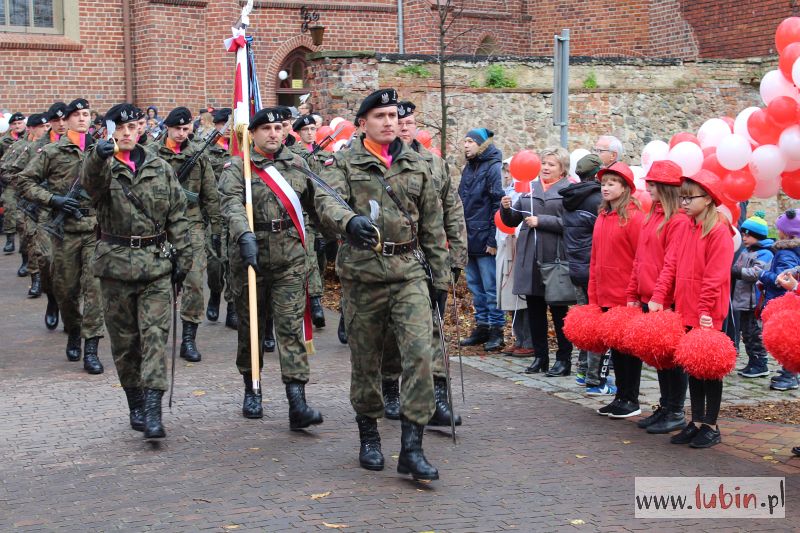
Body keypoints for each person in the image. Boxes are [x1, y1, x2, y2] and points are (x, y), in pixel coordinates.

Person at [315, 88, 449, 481]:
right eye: (380, 116)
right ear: (363, 123)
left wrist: (440, 278)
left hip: (408, 270)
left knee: (420, 355)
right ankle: (369, 435)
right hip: (363, 274)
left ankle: (412, 446)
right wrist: (348, 222)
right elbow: (326, 202)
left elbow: (433, 225)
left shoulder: (417, 163)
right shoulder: (343, 162)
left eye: (393, 115)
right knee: (367, 360)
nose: (389, 122)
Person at [82, 102, 191, 440]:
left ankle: (155, 411)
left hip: (155, 264)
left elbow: (177, 214)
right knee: (126, 343)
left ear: (142, 128)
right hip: (115, 266)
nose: (126, 133)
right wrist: (97, 157)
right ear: (109, 129)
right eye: (120, 127)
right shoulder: (101, 165)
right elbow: (90, 188)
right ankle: (136, 403)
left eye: (133, 127)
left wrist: (181, 260)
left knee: (156, 338)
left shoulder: (159, 166)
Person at [218, 107, 324, 430]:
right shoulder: (238, 168)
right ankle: (253, 389)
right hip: (250, 260)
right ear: (252, 134)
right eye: (266, 129)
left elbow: (318, 203)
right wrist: (243, 233)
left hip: (290, 258)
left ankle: (297, 402)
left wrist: (340, 230)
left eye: (279, 128)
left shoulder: (297, 164)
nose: (274, 134)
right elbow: (231, 204)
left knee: (289, 329)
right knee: (252, 328)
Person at [380, 100, 467, 427]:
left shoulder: (435, 164)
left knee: (432, 330)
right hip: (389, 262)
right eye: (397, 120)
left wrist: (455, 260)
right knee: (391, 331)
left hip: (428, 261)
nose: (404, 126)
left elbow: (452, 213)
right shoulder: (381, 163)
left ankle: (436, 398)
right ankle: (390, 384)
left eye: (409, 121)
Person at [17, 98, 105, 374]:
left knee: (94, 291)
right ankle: (74, 330)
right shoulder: (52, 152)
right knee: (66, 291)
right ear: (64, 121)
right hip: (63, 232)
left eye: (86, 114)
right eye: (76, 115)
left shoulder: (100, 150)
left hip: (94, 230)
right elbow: (24, 181)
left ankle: (91, 348)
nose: (82, 119)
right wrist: (53, 199)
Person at [656, 170, 733, 448]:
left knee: (708, 369)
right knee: (693, 367)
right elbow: (671, 265)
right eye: (682, 198)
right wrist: (659, 296)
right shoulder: (687, 228)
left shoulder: (718, 232)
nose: (684, 203)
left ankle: (711, 425)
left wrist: (704, 311)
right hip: (686, 308)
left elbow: (715, 277)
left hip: (708, 311)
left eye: (690, 198)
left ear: (709, 199)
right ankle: (697, 420)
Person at [149, 107, 222, 363]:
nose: (181, 134)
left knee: (193, 281)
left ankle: (189, 338)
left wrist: (217, 229)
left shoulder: (198, 155)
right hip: (159, 230)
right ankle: (156, 334)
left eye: (185, 129)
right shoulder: (152, 155)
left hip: (191, 227)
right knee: (160, 282)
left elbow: (210, 194)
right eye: (176, 129)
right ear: (167, 128)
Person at [627, 160, 690, 434]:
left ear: (666, 188)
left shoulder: (676, 220)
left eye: (653, 184)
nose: (648, 187)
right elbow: (639, 259)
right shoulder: (652, 215)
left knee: (671, 357)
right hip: (649, 295)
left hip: (665, 298)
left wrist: (659, 296)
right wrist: (633, 291)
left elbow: (671, 265)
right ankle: (665, 406)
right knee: (659, 356)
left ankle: (675, 410)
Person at [500, 147, 575, 375]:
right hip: (530, 258)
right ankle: (540, 357)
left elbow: (571, 224)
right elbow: (514, 220)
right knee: (535, 310)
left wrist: (542, 221)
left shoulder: (569, 191)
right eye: (544, 163)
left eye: (551, 164)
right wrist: (505, 209)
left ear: (562, 169)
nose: (545, 168)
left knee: (559, 311)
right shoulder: (528, 189)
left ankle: (564, 359)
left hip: (555, 258)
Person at [588, 161, 644, 418]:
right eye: (603, 183)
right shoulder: (603, 216)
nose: (606, 187)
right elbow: (595, 259)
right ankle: (621, 396)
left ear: (625, 188)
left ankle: (631, 398)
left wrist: (635, 295)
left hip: (626, 295)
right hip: (606, 292)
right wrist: (593, 296)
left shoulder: (634, 217)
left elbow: (639, 259)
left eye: (612, 183)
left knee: (628, 351)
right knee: (616, 350)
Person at [17, 102, 67, 328]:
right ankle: (53, 299)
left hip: (76, 215)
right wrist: (43, 193)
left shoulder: (85, 146)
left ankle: (72, 315)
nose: (60, 124)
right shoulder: (37, 147)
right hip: (45, 213)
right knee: (47, 261)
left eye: (63, 119)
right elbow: (16, 175)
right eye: (55, 121)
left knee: (75, 270)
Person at [459, 127, 505, 351]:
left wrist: (492, 240)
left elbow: (497, 203)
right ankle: (482, 327)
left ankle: (497, 330)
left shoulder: (493, 168)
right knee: (476, 288)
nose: (466, 145)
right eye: (465, 141)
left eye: (470, 141)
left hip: (485, 239)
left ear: (481, 144)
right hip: (469, 238)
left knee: (490, 288)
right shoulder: (469, 167)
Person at [560, 154, 603, 388]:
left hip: (575, 267)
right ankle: (594, 377)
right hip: (593, 270)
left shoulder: (570, 197)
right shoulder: (597, 199)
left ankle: (582, 370)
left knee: (585, 322)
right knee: (596, 323)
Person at [0, 113, 50, 289]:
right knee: (29, 238)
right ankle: (35, 277)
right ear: (31, 128)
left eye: (46, 126)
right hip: (27, 201)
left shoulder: (54, 147)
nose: (45, 130)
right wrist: (24, 186)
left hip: (49, 202)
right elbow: (6, 170)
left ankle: (46, 278)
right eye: (41, 127)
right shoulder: (22, 147)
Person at [758, 209, 800, 391]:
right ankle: (788, 372)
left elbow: (781, 279)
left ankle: (790, 375)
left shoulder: (786, 253)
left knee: (787, 338)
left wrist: (762, 274)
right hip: (787, 299)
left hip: (782, 300)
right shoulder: (790, 250)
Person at [204, 108, 238, 329]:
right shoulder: (206, 152)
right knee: (215, 264)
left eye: (230, 123)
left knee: (234, 262)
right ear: (216, 125)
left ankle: (232, 307)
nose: (226, 127)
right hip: (214, 215)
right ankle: (215, 292)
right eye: (222, 123)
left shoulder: (240, 151)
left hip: (235, 214)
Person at [497, 157, 533, 357]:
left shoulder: (529, 193)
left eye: (510, 172)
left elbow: (520, 222)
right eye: (505, 172)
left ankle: (528, 340)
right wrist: (505, 208)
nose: (506, 176)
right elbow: (506, 220)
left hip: (521, 247)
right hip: (507, 245)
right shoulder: (509, 193)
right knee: (511, 297)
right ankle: (519, 338)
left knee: (523, 298)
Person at [732, 211, 774, 379]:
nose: (744, 238)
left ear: (757, 236)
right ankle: (752, 361)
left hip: (754, 301)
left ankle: (760, 363)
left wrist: (736, 271)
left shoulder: (765, 253)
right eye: (743, 234)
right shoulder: (746, 251)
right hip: (743, 299)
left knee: (755, 333)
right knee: (747, 334)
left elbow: (756, 272)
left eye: (747, 235)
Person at [1, 112, 26, 254]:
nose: (17, 126)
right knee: (9, 206)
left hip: (26, 180)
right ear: (10, 125)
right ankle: (10, 240)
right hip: (10, 180)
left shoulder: (31, 139)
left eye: (20, 123)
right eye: (14, 124)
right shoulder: (4, 141)